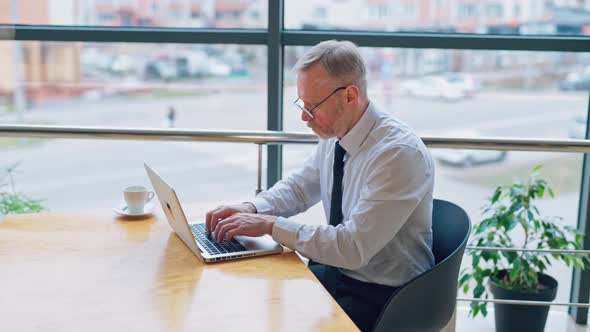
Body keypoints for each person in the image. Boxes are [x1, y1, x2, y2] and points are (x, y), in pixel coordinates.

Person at [205, 40, 435, 332]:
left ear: (350, 95)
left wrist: (270, 225)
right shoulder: (336, 133)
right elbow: (301, 187)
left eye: (312, 107)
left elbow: (352, 247)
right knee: (252, 303)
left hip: (386, 294)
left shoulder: (398, 154)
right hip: (339, 272)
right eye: (302, 104)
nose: (304, 117)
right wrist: (252, 208)